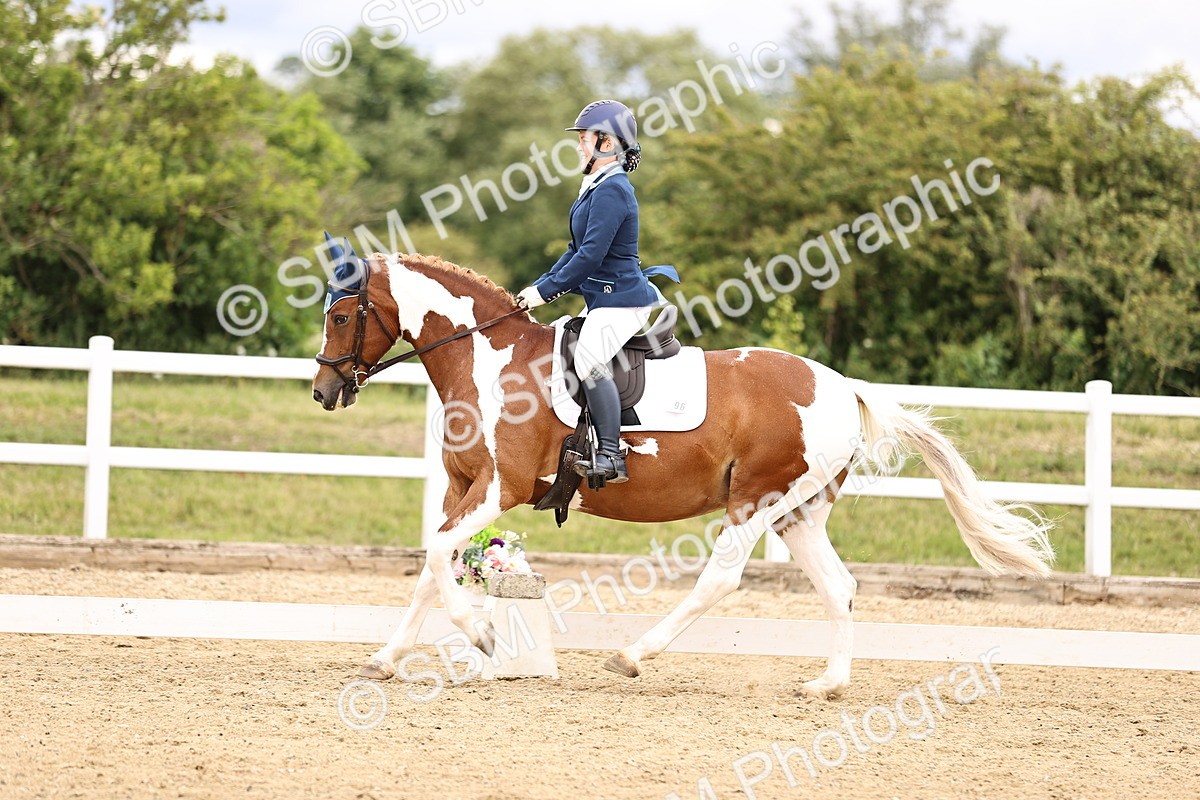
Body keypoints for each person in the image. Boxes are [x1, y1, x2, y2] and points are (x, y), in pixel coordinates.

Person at [516, 99, 673, 486]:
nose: (578, 146)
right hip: (604, 299)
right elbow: (574, 249)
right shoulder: (595, 187)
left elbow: (590, 256)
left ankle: (610, 454)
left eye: (583, 139)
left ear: (606, 143)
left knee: (587, 360)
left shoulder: (613, 190)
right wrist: (538, 287)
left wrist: (547, 293)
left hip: (623, 301)